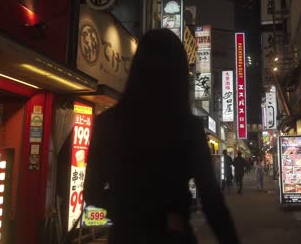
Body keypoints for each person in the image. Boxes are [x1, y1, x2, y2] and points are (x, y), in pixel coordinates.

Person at [83, 29, 239, 244]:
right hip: (173, 236)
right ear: (179, 73)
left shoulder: (108, 122)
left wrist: (131, 214)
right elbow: (212, 200)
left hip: (124, 236)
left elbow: (91, 192)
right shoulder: (187, 127)